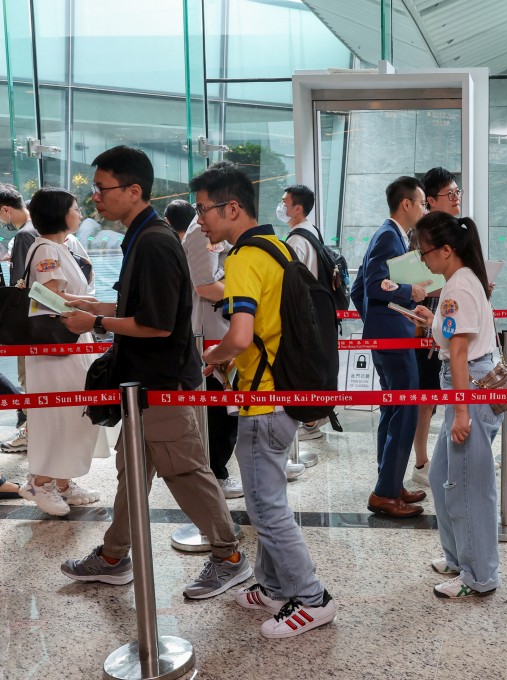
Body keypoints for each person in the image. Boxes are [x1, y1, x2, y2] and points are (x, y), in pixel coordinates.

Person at [59, 146, 250, 600]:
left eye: (102, 189)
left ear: (133, 190)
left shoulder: (155, 242)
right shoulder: (142, 236)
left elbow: (159, 324)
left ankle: (230, 556)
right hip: (141, 386)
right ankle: (113, 555)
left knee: (184, 472)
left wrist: (98, 323)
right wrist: (97, 305)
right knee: (133, 472)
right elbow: (142, 307)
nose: (95, 199)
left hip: (162, 385)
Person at [194, 161, 336, 639]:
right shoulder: (277, 247)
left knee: (265, 509)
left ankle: (312, 598)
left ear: (232, 207)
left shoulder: (241, 259)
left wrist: (210, 357)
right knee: (267, 500)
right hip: (285, 394)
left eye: (204, 210)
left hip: (262, 401)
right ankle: (274, 586)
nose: (201, 221)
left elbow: (239, 335)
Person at [410, 211, 501, 599]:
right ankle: (457, 557)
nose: (423, 260)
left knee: (468, 487)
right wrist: (434, 321)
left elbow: (461, 353)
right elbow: (455, 339)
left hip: (469, 390)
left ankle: (478, 575)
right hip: (470, 384)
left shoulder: (459, 288)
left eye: (425, 252)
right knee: (442, 476)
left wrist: (462, 412)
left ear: (446, 250)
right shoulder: (459, 284)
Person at [16, 188, 102, 515]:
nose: (80, 213)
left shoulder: (64, 246)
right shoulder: (45, 250)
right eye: (75, 208)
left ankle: (62, 482)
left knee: (76, 413)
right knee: (59, 414)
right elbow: (49, 298)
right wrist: (92, 307)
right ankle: (40, 482)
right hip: (56, 345)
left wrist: (91, 308)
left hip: (74, 340)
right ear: (60, 213)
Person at [350, 176, 429, 517]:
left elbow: (357, 288)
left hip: (388, 333)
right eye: (422, 202)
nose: (424, 209)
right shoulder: (388, 236)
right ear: (406, 204)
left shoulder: (390, 235)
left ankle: (390, 482)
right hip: (392, 339)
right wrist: (406, 294)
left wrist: (375, 321)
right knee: (405, 410)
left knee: (393, 410)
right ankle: (384, 493)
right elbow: (373, 284)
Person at [179, 203, 245, 497]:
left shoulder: (212, 230)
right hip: (209, 332)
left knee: (225, 407)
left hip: (221, 327)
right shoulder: (201, 232)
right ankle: (216, 472)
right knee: (217, 410)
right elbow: (205, 285)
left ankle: (218, 467)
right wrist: (245, 295)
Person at [410, 167, 462, 486]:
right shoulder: (420, 235)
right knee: (426, 395)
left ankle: (443, 457)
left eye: (458, 193)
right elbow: (415, 285)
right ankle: (421, 462)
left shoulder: (456, 230)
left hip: (452, 322)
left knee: (444, 392)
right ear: (430, 200)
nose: (456, 198)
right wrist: (456, 284)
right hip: (426, 326)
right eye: (450, 194)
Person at [277, 183, 326, 443]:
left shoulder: (296, 240)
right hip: (317, 311)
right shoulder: (313, 232)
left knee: (300, 368)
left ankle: (309, 419)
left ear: (298, 208)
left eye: (285, 203)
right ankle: (312, 418)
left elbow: (290, 280)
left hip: (302, 313)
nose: (281, 207)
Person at [0, 183, 32, 450]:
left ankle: (29, 432)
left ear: (6, 209)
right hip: (45, 319)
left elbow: (20, 286)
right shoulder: (45, 230)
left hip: (28, 322)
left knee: (29, 377)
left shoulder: (24, 236)